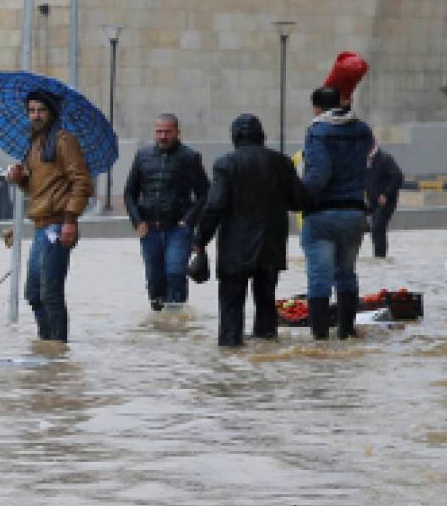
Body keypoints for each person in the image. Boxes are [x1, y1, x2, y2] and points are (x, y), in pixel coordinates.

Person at [196, 114, 306, 347]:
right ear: (262, 136)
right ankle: (265, 356)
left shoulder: (225, 164)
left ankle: (231, 357)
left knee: (231, 311)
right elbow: (299, 201)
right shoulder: (282, 162)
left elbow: (215, 206)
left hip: (235, 250)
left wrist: (200, 240)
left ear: (234, 137)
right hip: (271, 247)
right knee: (266, 305)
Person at [4, 90, 92, 342]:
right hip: (41, 226)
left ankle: (58, 347)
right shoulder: (34, 145)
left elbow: (81, 183)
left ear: (51, 112)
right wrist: (20, 178)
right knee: (34, 293)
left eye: (41, 110)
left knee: (50, 293)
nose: (36, 115)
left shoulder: (64, 141)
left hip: (58, 225)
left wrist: (70, 220)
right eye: (31, 110)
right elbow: (37, 189)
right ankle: (47, 345)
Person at [300, 86, 375, 339]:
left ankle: (320, 340)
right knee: (346, 272)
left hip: (322, 213)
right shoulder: (363, 130)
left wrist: (301, 196)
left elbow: (319, 174)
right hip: (354, 213)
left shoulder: (317, 131)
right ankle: (346, 331)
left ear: (317, 108)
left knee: (320, 278)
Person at [121, 113, 209, 311]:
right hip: (149, 229)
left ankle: (176, 317)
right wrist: (137, 222)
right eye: (159, 131)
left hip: (178, 229)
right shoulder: (143, 156)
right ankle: (159, 322)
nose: (163, 136)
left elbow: (205, 193)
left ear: (178, 133)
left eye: (167, 132)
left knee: (175, 272)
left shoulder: (190, 157)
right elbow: (129, 193)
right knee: (154, 279)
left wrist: (188, 222)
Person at [366, 144, 405, 259]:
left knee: (378, 227)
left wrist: (386, 194)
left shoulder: (384, 158)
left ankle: (380, 256)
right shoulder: (363, 159)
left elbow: (398, 176)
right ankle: (377, 255)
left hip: (386, 201)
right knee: (374, 229)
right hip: (371, 201)